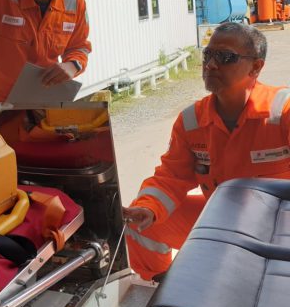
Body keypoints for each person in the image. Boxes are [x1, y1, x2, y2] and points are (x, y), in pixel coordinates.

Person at [123, 22, 290, 281]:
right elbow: (171, 177)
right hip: (219, 218)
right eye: (208, 55)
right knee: (141, 222)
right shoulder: (191, 121)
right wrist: (149, 207)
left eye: (225, 57)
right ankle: (161, 287)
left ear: (256, 67)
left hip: (278, 226)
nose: (210, 65)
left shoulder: (283, 111)